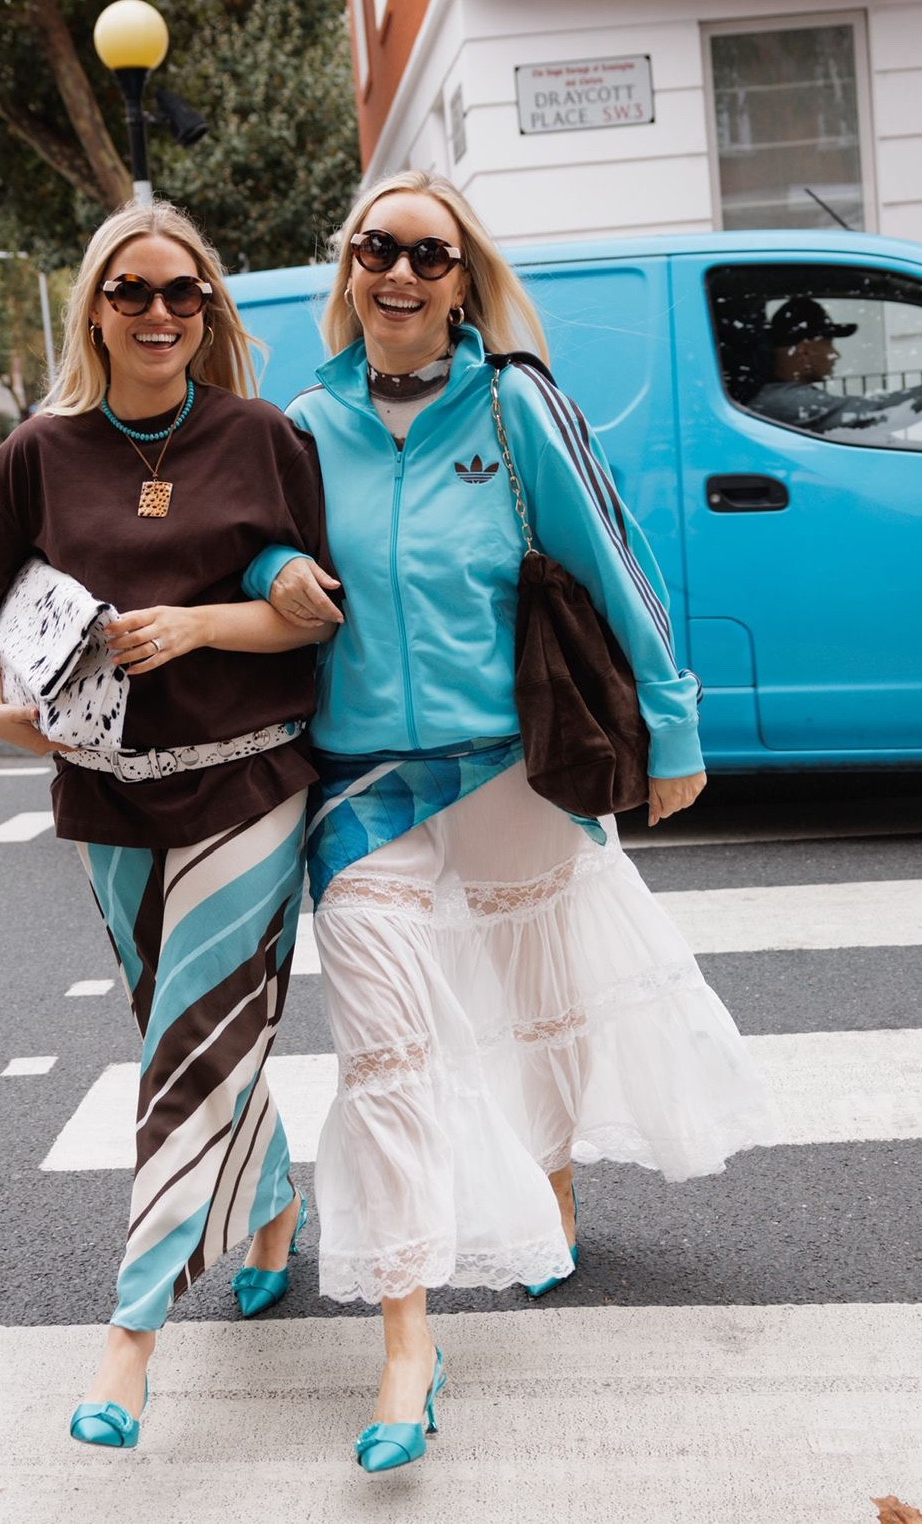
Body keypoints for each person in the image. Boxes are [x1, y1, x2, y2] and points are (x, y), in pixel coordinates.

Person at [244, 170, 780, 1473]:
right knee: (389, 1060)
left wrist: (676, 726)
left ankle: (548, 1186)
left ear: (462, 276)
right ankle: (406, 1354)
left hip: (510, 767)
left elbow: (613, 553)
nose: (401, 274)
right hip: (365, 792)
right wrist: (276, 572)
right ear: (351, 267)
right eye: (378, 248)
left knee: (545, 1005)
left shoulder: (515, 404)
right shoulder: (303, 425)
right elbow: (241, 549)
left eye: (429, 255)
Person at [0, 200, 336, 1449]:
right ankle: (267, 1207)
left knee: (191, 1042)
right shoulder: (38, 453)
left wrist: (206, 621)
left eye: (183, 293)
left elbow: (315, 612)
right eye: (133, 292)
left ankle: (128, 1341)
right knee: (186, 1030)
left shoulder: (261, 436)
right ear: (95, 306)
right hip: (104, 793)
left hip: (251, 781)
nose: (158, 314)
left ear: (209, 310)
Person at [749, 295, 922, 443]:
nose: (835, 354)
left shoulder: (777, 397)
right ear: (805, 350)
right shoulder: (786, 402)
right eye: (829, 344)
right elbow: (878, 411)